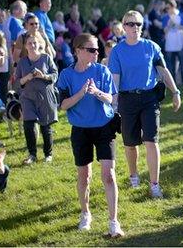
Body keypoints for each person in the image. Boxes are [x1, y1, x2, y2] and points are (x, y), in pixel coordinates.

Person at [108, 10, 181, 198]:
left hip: (149, 98)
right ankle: (134, 176)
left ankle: (154, 184)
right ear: (124, 27)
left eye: (139, 24)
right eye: (131, 24)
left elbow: (163, 71)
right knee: (131, 144)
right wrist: (112, 106)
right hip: (127, 100)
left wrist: (175, 92)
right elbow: (115, 80)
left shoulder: (152, 47)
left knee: (151, 141)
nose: (135, 28)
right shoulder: (117, 51)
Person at [57, 33, 124, 237]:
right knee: (84, 176)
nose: (97, 52)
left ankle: (114, 222)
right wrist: (81, 93)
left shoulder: (102, 71)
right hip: (80, 130)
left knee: (109, 175)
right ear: (78, 51)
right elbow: (62, 105)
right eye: (92, 49)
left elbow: (112, 99)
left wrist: (96, 92)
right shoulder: (66, 75)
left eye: (97, 49)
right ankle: (85, 214)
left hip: (104, 127)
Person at [14, 34, 59, 164]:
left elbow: (55, 75)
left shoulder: (46, 58)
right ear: (25, 46)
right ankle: (32, 155)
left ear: (39, 44)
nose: (32, 45)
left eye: (35, 43)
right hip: (27, 97)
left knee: (46, 126)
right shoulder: (22, 62)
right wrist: (26, 78)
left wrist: (44, 76)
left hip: (45, 96)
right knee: (28, 125)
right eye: (30, 43)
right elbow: (16, 83)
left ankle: (48, 154)